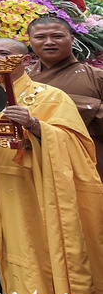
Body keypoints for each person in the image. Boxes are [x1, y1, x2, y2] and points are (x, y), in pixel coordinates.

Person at [0, 38, 103, 294]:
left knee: (48, 258)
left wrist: (35, 125)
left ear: (25, 60)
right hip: (1, 191)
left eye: (5, 53)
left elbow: (78, 147)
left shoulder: (50, 96)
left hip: (41, 193)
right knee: (13, 257)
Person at [26, 15, 103, 180]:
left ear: (72, 39)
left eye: (57, 36)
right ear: (30, 42)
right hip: (35, 161)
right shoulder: (21, 79)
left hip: (87, 160)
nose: (49, 42)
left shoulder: (97, 77)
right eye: (40, 37)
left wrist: (78, 106)